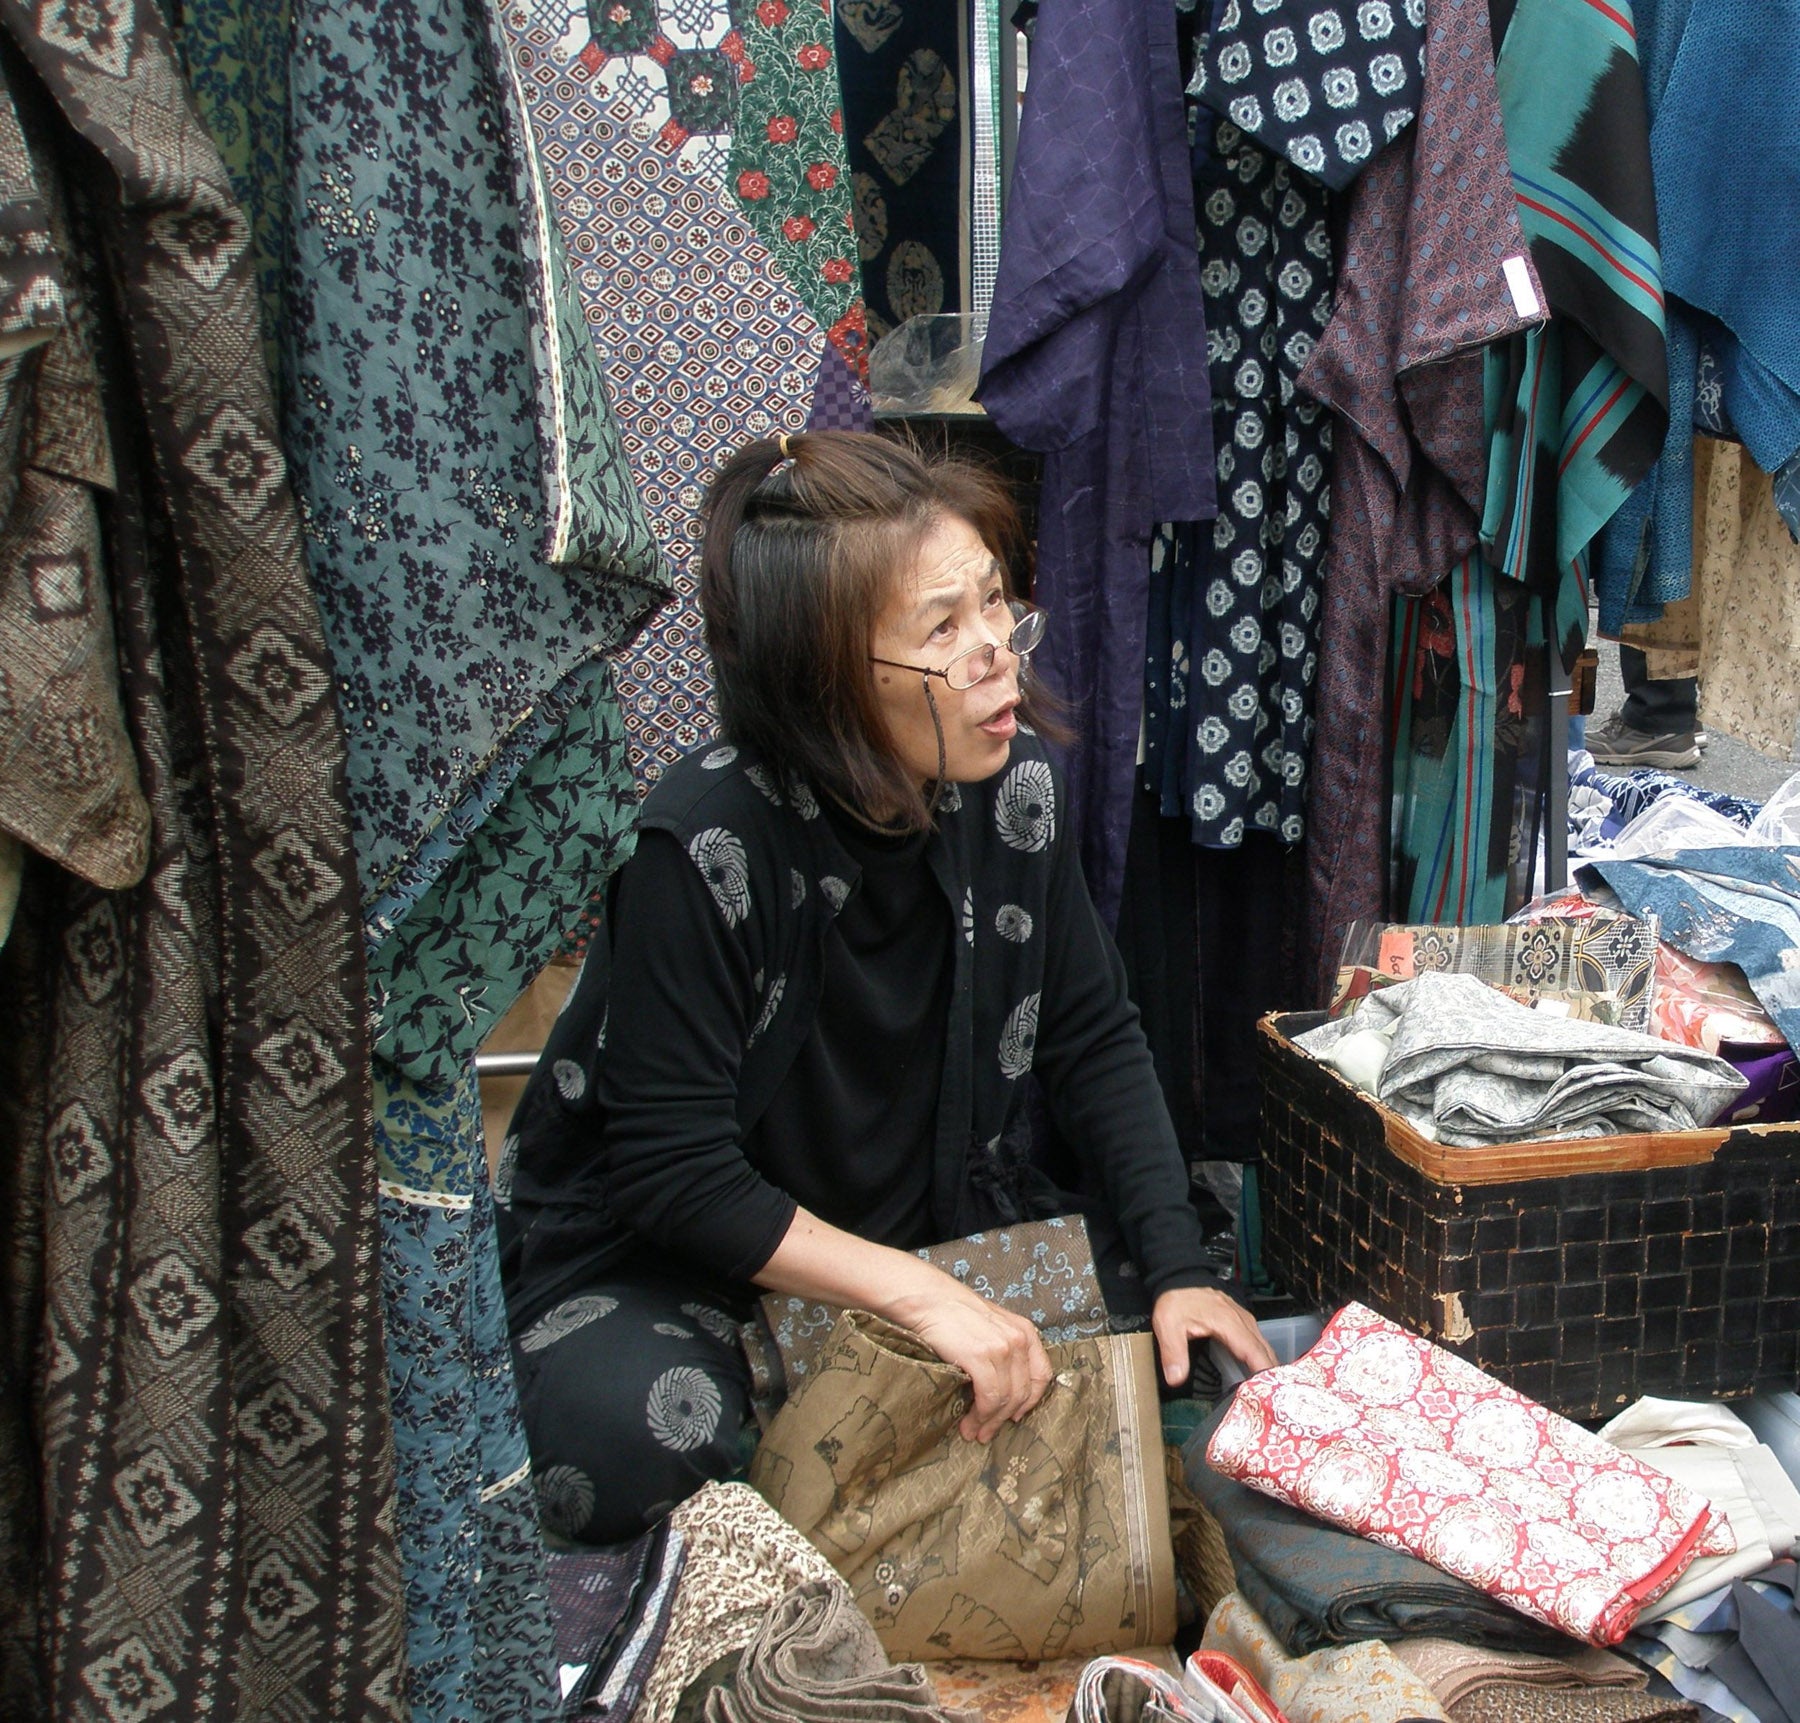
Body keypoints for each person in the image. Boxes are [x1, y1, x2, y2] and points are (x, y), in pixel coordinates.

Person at [498, 431, 1275, 1545]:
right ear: (825, 676)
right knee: (635, 1435)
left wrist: (1180, 1268)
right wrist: (926, 1302)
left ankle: (837, 1424)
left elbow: (1095, 1039)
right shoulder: (703, 844)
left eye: (1000, 605)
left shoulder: (1015, 796)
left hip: (933, 1223)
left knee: (1190, 1346)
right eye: (945, 630)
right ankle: (797, 1424)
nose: (1000, 652)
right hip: (693, 1263)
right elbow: (672, 1173)